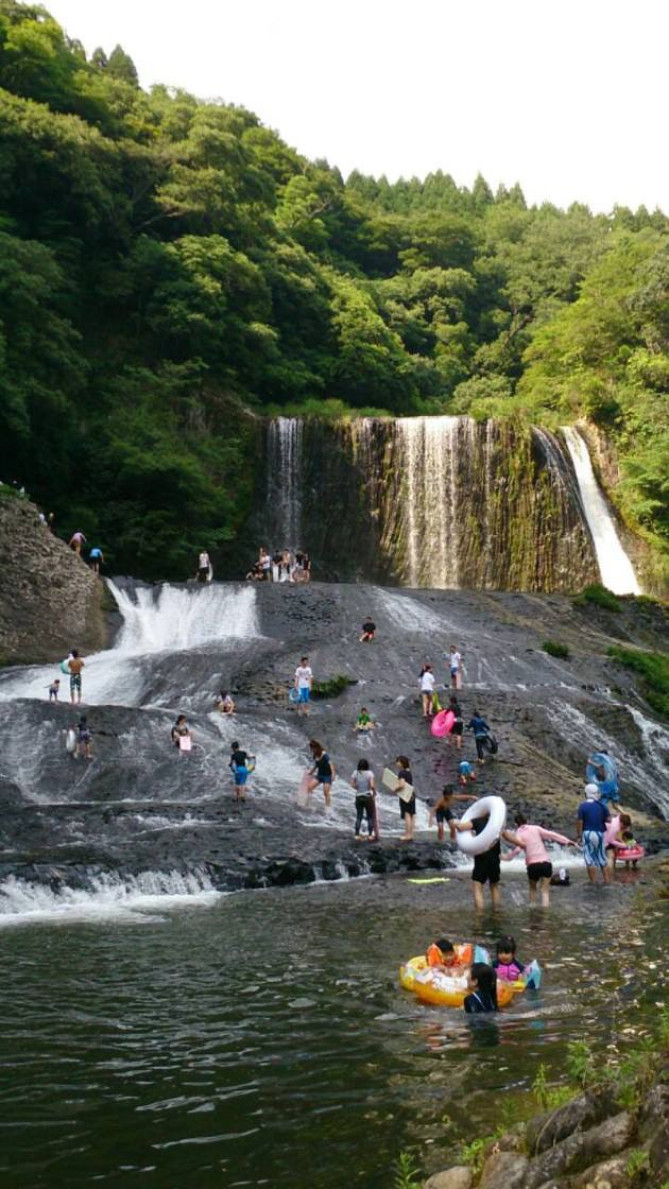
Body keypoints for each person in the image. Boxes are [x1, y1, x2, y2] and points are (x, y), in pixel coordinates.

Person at [502, 812, 578, 906]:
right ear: (526, 821)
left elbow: (517, 850)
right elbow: (552, 835)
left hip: (533, 866)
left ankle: (532, 908)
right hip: (545, 863)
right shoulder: (535, 828)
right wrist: (567, 841)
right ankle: (545, 910)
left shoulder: (518, 834)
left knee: (533, 889)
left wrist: (506, 858)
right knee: (545, 891)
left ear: (516, 824)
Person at [453, 814, 522, 910]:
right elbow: (507, 836)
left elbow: (461, 828)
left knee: (477, 886)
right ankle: (496, 911)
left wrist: (455, 823)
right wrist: (523, 844)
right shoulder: (497, 823)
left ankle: (480, 913)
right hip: (495, 858)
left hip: (481, 857)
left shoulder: (477, 820)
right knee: (494, 885)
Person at [576, 784, 611, 884]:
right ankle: (607, 881)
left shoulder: (582, 806)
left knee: (589, 858)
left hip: (587, 833)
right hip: (600, 833)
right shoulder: (602, 806)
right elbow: (609, 820)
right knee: (602, 857)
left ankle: (593, 882)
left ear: (586, 793)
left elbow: (580, 822)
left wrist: (579, 836)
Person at [350, 759, 377, 840]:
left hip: (358, 796)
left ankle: (356, 834)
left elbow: (353, 785)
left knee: (359, 816)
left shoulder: (355, 773)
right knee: (370, 817)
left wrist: (358, 787)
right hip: (367, 796)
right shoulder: (369, 773)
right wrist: (374, 792)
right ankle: (370, 835)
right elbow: (372, 786)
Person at [307, 740, 335, 809]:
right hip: (320, 775)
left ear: (317, 747)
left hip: (327, 776)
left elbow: (331, 764)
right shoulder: (315, 755)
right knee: (309, 788)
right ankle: (309, 803)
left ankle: (328, 808)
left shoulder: (324, 754)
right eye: (311, 748)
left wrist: (333, 773)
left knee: (326, 792)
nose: (312, 750)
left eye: (313, 748)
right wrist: (311, 772)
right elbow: (316, 765)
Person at [395, 755, 416, 842]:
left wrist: (395, 789)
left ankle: (407, 835)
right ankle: (410, 834)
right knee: (411, 815)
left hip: (405, 795)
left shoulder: (402, 773)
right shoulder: (408, 772)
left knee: (407, 815)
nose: (396, 763)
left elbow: (402, 785)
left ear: (402, 763)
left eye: (398, 762)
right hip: (411, 795)